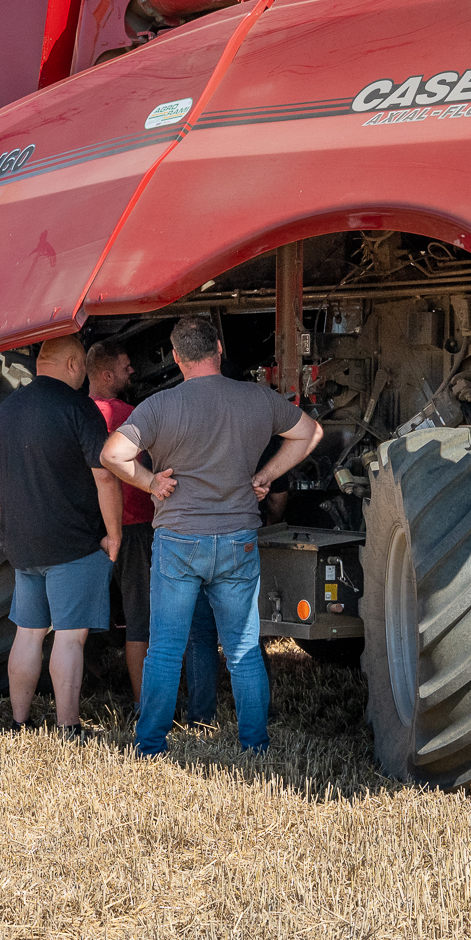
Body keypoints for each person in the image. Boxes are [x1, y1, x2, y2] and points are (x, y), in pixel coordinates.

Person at [100, 314, 322, 757]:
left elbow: (113, 454)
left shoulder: (160, 407)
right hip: (238, 539)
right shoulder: (258, 398)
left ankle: (150, 745)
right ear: (219, 349)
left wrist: (150, 483)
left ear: (177, 357)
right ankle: (255, 744)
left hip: (179, 541)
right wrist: (268, 474)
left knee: (165, 649)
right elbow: (310, 432)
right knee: (242, 649)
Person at [0, 335, 123, 738]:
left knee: (27, 634)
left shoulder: (5, 409)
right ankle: (68, 726)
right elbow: (104, 475)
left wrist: (13, 514)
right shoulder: (79, 408)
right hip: (74, 544)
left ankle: (19, 721)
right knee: (70, 636)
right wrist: (113, 535)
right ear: (75, 365)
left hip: (23, 545)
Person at [86, 339, 158, 706]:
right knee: (139, 616)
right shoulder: (128, 414)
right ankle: (143, 699)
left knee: (80, 612)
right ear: (107, 374)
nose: (133, 371)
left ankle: (89, 680)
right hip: (133, 524)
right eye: (127, 366)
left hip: (88, 528)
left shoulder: (78, 412)